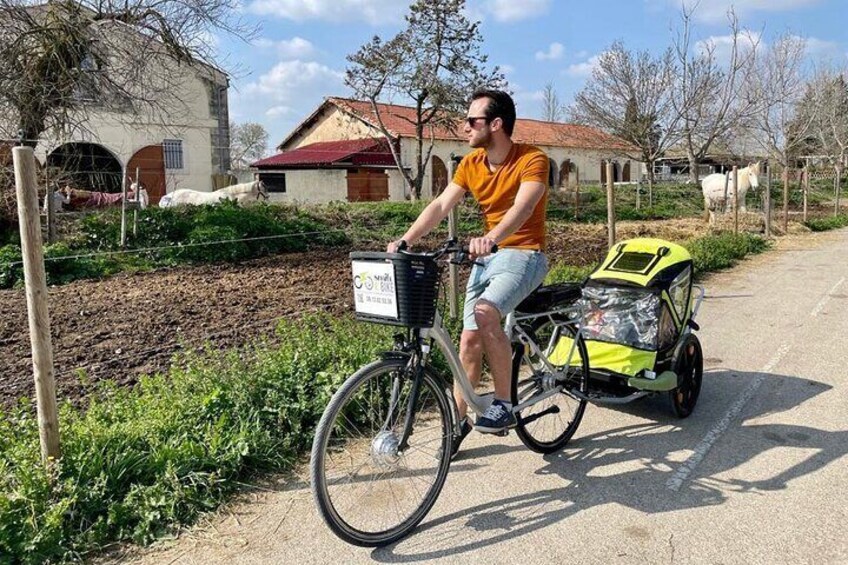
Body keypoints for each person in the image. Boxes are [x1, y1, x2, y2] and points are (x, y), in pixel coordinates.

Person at [387, 89, 550, 457]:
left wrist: (491, 238)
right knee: (467, 340)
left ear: (496, 124)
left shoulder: (532, 159)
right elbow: (443, 204)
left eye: (471, 121)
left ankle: (504, 403)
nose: (464, 127)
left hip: (524, 253)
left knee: (484, 313)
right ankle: (457, 424)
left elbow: (524, 208)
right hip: (490, 255)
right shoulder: (471, 163)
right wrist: (406, 239)